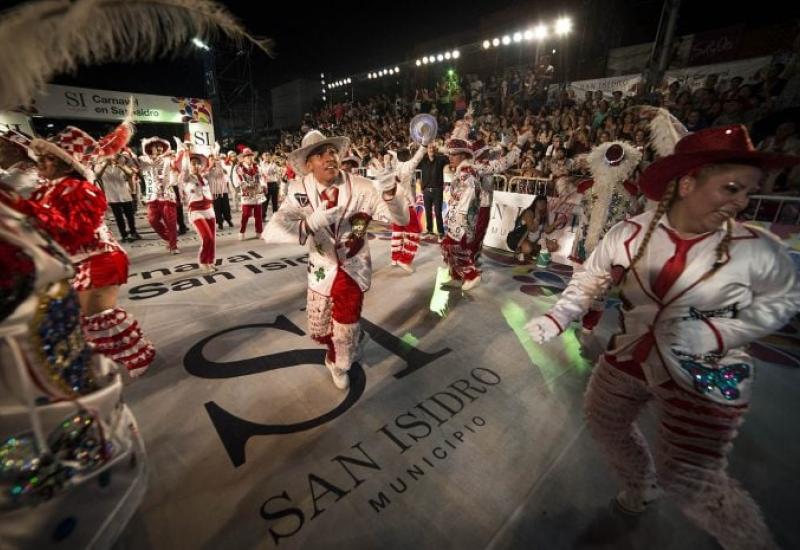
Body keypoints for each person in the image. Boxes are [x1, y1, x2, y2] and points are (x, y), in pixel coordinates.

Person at [525, 125, 800, 550]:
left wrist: (721, 331)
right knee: (604, 420)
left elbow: (786, 297)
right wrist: (558, 315)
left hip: (705, 377)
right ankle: (641, 485)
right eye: (731, 188)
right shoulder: (628, 234)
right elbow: (590, 278)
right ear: (687, 183)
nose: (742, 202)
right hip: (628, 358)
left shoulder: (756, 248)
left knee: (690, 481)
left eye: (748, 191)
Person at [263, 130, 408, 390]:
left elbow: (401, 219)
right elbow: (271, 231)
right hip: (321, 267)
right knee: (323, 327)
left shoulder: (363, 186)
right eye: (320, 154)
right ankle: (348, 344)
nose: (329, 158)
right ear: (308, 164)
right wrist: (310, 223)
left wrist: (390, 191)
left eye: (332, 151)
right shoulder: (298, 190)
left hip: (354, 264)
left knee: (347, 316)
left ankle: (338, 362)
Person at [27, 125, 156, 378]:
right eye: (40, 157)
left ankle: (138, 357)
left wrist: (32, 218)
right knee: (86, 319)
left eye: (49, 158)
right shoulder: (47, 189)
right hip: (76, 263)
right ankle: (110, 360)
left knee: (100, 316)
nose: (40, 162)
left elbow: (77, 231)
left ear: (67, 165)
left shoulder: (78, 189)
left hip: (100, 259)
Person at [440, 134, 483, 291]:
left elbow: (469, 196)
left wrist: (460, 216)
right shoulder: (461, 171)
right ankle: (457, 277)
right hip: (456, 216)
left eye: (454, 154)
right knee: (449, 246)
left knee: (456, 247)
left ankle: (472, 275)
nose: (450, 157)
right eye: (449, 154)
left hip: (462, 219)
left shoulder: (467, 173)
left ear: (463, 155)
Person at [388, 143, 426, 272]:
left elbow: (395, 156)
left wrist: (393, 153)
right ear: (408, 156)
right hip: (406, 204)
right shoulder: (408, 166)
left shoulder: (394, 166)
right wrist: (424, 145)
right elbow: (418, 157)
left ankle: (395, 257)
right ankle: (405, 260)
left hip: (395, 204)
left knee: (398, 230)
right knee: (414, 231)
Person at [178, 149, 217, 273]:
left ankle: (210, 261)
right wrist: (185, 155)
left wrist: (213, 156)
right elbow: (184, 170)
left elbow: (212, 169)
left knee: (212, 239)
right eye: (193, 164)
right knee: (207, 237)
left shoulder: (204, 178)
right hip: (196, 211)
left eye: (198, 164)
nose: (196, 166)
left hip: (209, 210)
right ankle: (203, 261)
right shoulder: (186, 178)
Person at [139, 137, 179, 254]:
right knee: (152, 220)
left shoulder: (168, 159)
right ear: (149, 148)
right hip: (152, 197)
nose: (159, 148)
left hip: (167, 196)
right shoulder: (143, 160)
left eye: (161, 146)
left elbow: (177, 165)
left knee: (171, 223)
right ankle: (169, 238)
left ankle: (173, 246)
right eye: (156, 146)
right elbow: (146, 162)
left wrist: (177, 155)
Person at [96, 154, 140, 242]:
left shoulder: (120, 165)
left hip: (125, 195)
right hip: (112, 196)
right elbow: (98, 176)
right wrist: (105, 164)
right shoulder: (99, 166)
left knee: (130, 216)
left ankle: (133, 232)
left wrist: (120, 166)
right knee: (119, 218)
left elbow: (130, 174)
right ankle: (124, 235)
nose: (112, 158)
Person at [418, 141, 449, 237]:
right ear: (427, 150)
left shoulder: (440, 159)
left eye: (433, 148)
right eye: (429, 148)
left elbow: (448, 156)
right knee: (428, 212)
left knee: (438, 212)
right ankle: (429, 230)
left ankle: (441, 232)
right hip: (426, 190)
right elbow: (415, 166)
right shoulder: (423, 160)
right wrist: (418, 180)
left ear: (435, 150)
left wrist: (440, 148)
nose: (431, 150)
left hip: (437, 190)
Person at [234, 147, 265, 240]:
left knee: (258, 215)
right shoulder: (239, 168)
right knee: (246, 214)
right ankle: (242, 232)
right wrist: (245, 185)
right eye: (247, 156)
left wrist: (263, 185)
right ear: (243, 158)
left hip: (257, 192)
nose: (249, 158)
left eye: (251, 156)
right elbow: (237, 180)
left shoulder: (257, 167)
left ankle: (259, 232)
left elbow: (262, 177)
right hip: (247, 193)